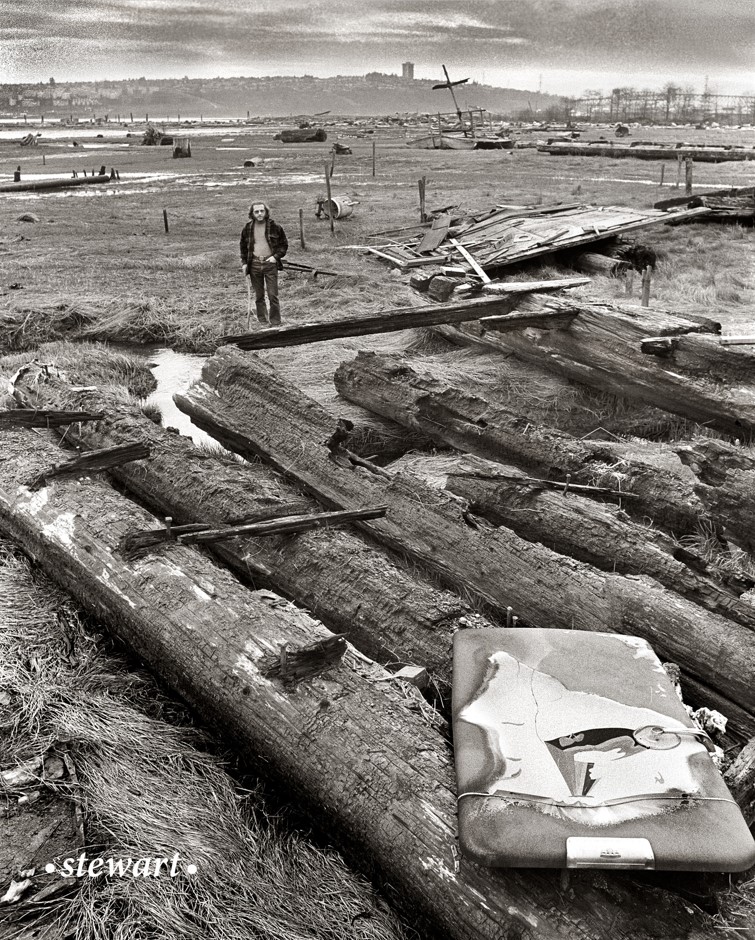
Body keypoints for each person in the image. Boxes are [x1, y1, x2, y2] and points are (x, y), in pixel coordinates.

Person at [239, 202, 288, 326]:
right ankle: (263, 321)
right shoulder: (247, 228)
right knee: (259, 296)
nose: (259, 214)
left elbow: (284, 245)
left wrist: (275, 257)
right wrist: (245, 263)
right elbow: (243, 247)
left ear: (266, 212)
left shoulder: (275, 226)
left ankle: (276, 322)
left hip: (270, 264)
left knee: (273, 296)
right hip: (254, 264)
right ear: (252, 213)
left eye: (262, 211)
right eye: (256, 212)